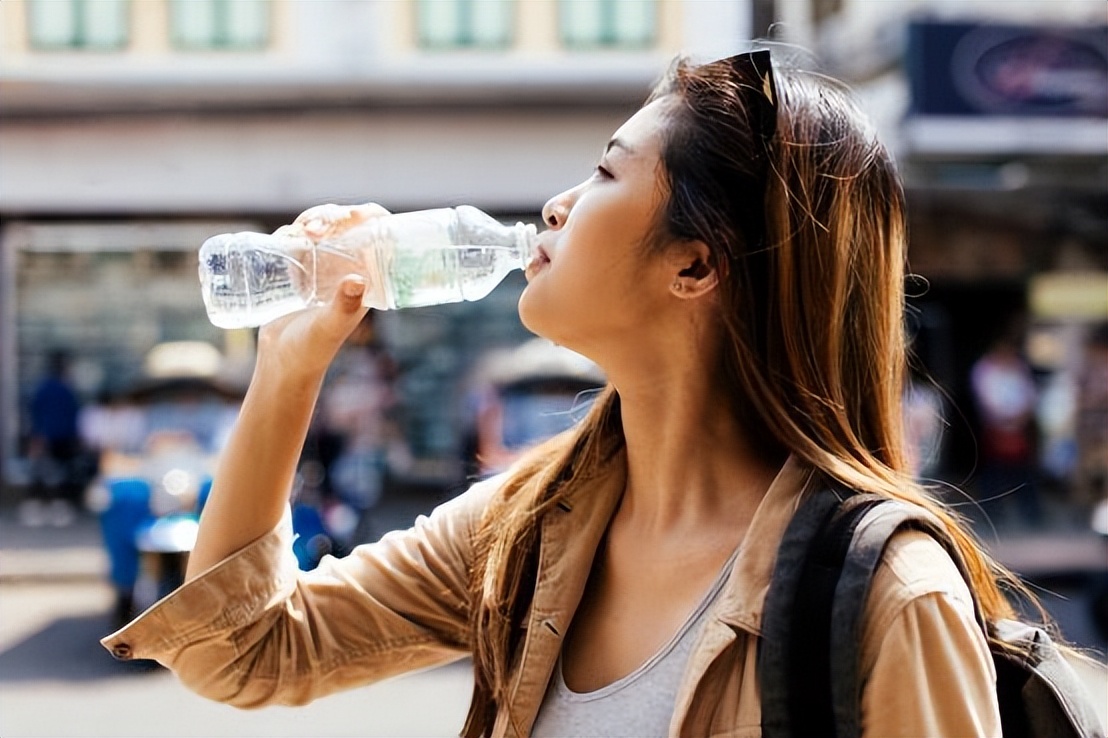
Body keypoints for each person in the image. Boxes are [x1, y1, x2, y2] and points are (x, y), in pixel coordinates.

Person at [104, 49, 1021, 736]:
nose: (557, 204)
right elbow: (239, 649)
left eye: (609, 172)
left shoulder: (891, 600)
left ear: (696, 264)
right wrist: (288, 368)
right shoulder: (528, 527)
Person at [22, 350, 85, 527]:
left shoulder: (50, 388)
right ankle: (45, 509)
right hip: (53, 438)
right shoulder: (60, 389)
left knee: (48, 474)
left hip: (51, 437)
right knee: (50, 474)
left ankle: (48, 509)